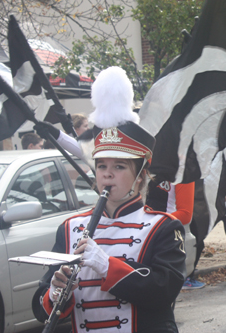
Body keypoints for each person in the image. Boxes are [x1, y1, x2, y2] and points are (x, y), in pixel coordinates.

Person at [32, 66, 186, 333]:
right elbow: (40, 303)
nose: (108, 175)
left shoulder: (163, 227)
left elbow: (164, 291)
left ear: (140, 176)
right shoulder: (69, 229)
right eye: (102, 166)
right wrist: (56, 295)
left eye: (119, 167)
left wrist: (106, 265)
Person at [145, 180, 203, 289]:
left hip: (164, 235)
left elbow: (185, 214)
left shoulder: (183, 171)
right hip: (137, 232)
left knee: (160, 287)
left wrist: (153, 225)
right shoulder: (142, 165)